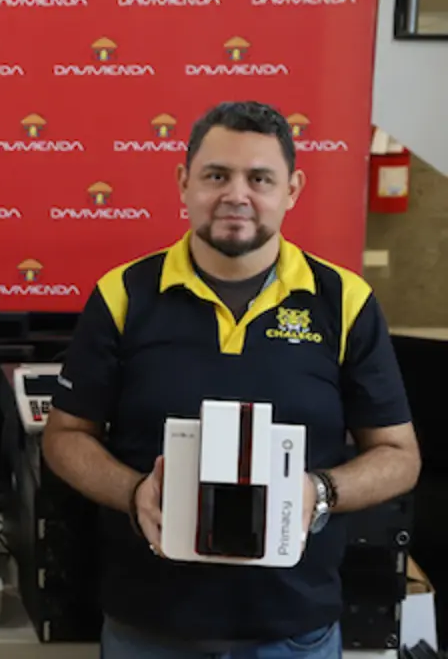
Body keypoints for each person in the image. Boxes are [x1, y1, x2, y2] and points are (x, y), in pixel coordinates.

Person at [41, 101, 421, 658]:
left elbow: (399, 454)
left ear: (291, 190)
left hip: (294, 630)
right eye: (216, 175)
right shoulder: (123, 295)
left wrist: (318, 493)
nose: (236, 195)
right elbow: (65, 435)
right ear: (184, 183)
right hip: (149, 625)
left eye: (259, 178)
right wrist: (133, 493)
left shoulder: (345, 302)